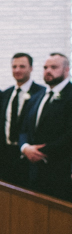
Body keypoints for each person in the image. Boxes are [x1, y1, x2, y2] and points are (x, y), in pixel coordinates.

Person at [19, 53, 72, 202]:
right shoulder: (38, 95)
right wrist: (25, 148)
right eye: (45, 67)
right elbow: (23, 128)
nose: (48, 71)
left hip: (59, 170)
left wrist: (40, 151)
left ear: (67, 70)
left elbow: (69, 135)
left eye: (53, 67)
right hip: (33, 169)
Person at [0, 53, 44, 186]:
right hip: (5, 153)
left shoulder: (41, 93)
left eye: (22, 66)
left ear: (31, 68)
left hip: (27, 155)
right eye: (14, 66)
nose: (17, 70)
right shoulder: (6, 94)